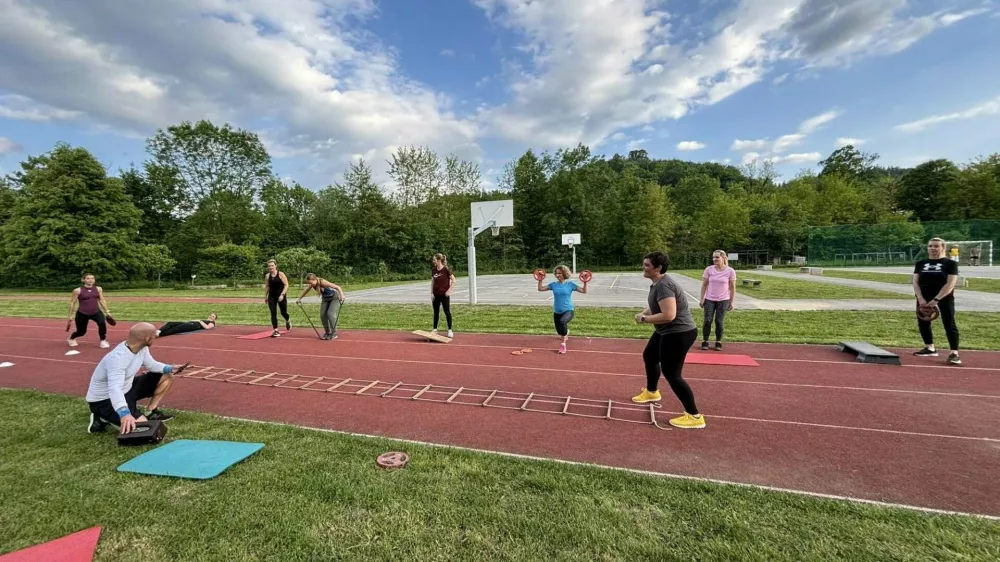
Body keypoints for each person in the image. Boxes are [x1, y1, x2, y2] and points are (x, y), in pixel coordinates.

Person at [631, 251, 705, 429]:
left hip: (679, 332)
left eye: (647, 265)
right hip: (666, 331)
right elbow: (655, 305)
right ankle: (651, 392)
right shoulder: (658, 283)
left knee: (672, 373)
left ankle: (694, 416)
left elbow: (669, 315)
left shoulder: (665, 285)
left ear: (658, 268)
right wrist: (645, 312)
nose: (644, 267)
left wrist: (644, 319)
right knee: (650, 356)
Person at [85, 322, 183, 434]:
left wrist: (170, 369)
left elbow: (151, 365)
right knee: (143, 429)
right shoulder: (117, 359)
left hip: (127, 388)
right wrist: (124, 414)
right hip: (104, 400)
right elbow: (115, 389)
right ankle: (101, 416)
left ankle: (151, 412)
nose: (156, 335)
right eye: (154, 334)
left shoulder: (141, 347)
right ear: (147, 338)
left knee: (167, 375)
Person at [913, 238, 962, 365]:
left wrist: (936, 299)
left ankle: (954, 353)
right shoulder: (920, 263)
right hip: (924, 297)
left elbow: (950, 284)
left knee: (949, 322)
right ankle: (930, 347)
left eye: (936, 246)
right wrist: (920, 298)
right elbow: (915, 282)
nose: (932, 248)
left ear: (943, 248)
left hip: (944, 296)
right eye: (930, 246)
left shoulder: (950, 264)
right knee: (923, 321)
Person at [537, 265, 588, 354]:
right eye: (556, 273)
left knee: (562, 322)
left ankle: (563, 345)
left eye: (559, 273)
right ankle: (566, 332)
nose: (557, 275)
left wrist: (585, 281)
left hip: (568, 310)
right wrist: (540, 279)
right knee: (560, 331)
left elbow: (584, 291)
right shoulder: (553, 285)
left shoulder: (570, 285)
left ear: (564, 273)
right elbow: (540, 289)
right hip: (557, 311)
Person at [699, 250, 736, 351]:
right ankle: (705, 341)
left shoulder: (730, 271)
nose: (714, 259)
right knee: (707, 320)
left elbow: (732, 288)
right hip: (709, 299)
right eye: (713, 257)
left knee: (719, 321)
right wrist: (702, 299)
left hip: (723, 300)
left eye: (717, 257)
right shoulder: (709, 269)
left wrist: (732, 302)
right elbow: (704, 285)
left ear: (723, 258)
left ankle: (718, 342)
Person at [67, 273, 112, 348]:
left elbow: (102, 300)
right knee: (81, 332)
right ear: (83, 280)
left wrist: (107, 311)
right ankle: (71, 338)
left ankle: (103, 341)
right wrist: (70, 315)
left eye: (92, 278)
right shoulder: (77, 290)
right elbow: (72, 303)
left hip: (96, 312)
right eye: (88, 278)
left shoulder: (98, 289)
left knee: (102, 323)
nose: (90, 280)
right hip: (82, 313)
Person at [296, 274, 345, 340]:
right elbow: (306, 291)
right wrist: (299, 299)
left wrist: (342, 296)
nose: (310, 284)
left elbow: (337, 287)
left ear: (315, 279)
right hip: (325, 299)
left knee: (330, 314)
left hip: (334, 297)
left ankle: (334, 333)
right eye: (309, 283)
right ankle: (327, 332)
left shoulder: (322, 282)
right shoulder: (312, 284)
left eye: (311, 282)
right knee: (322, 315)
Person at [431, 253, 456, 338]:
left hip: (444, 295)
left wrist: (449, 291)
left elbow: (454, 280)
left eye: (434, 259)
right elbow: (433, 282)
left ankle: (450, 330)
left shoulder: (446, 269)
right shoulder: (434, 270)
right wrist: (431, 293)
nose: (433, 261)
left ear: (438, 260)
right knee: (436, 312)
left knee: (447, 312)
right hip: (436, 295)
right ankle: (435, 329)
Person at [264, 259, 291, 337]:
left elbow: (286, 285)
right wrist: (265, 296)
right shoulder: (267, 276)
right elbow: (267, 286)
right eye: (269, 266)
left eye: (272, 265)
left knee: (283, 312)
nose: (270, 267)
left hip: (281, 296)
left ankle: (288, 320)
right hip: (272, 296)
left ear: (276, 266)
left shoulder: (281, 274)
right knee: (273, 313)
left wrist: (282, 294)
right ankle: (276, 330)